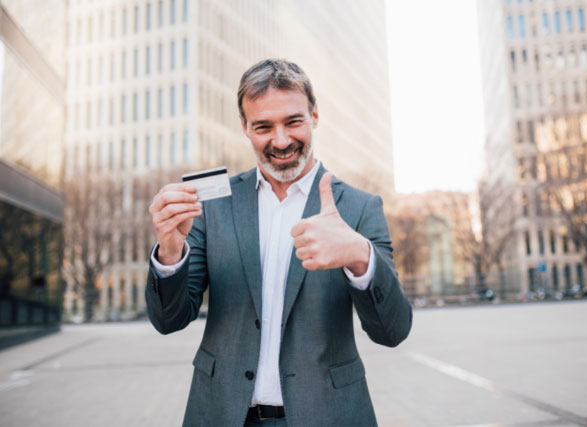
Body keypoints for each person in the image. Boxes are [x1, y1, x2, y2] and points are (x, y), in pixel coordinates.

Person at [146, 58, 412, 427]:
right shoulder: (213, 204)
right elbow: (168, 320)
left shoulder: (359, 207)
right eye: (263, 126)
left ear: (315, 115)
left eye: (293, 121)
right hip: (222, 414)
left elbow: (393, 331)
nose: (281, 140)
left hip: (328, 416)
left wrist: (359, 255)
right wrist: (170, 252)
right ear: (244, 127)